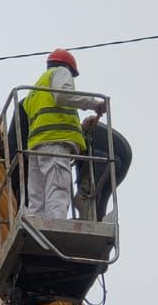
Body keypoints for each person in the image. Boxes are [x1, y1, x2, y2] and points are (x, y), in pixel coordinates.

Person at [22, 49, 104, 219]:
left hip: (36, 147)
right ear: (69, 68)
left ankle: (36, 229)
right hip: (56, 143)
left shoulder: (35, 91)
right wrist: (93, 103)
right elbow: (62, 95)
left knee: (37, 198)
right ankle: (56, 225)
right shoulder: (61, 72)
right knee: (57, 189)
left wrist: (80, 127)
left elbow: (48, 116)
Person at [76, 118, 131, 221]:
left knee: (87, 196)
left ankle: (91, 218)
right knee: (100, 198)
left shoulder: (79, 136)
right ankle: (96, 218)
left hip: (113, 152)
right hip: (117, 154)